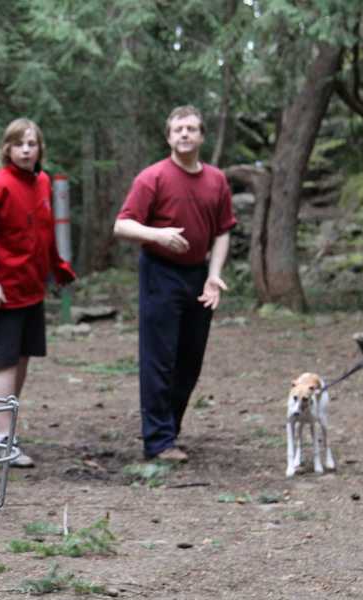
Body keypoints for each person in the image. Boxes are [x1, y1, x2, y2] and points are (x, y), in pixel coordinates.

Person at [113, 105, 236, 463]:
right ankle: (158, 441)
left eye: (191, 128)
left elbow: (223, 230)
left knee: (190, 359)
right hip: (160, 272)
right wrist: (158, 235)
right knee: (159, 358)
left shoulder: (216, 180)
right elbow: (122, 225)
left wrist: (214, 274)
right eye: (178, 129)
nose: (184, 134)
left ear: (201, 136)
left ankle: (171, 430)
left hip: (199, 276)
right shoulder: (152, 177)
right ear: (168, 137)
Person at [0, 117, 75, 468]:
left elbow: (43, 232)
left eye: (31, 144)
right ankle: (1, 441)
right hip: (1, 292)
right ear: (7, 149)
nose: (25, 150)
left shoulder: (42, 181)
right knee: (4, 362)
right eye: (18, 144)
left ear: (40, 149)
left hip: (31, 289)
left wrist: (57, 267)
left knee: (21, 360)